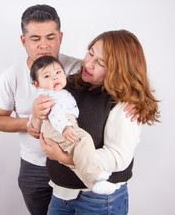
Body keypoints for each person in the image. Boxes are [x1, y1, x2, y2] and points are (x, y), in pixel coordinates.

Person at [36, 29, 160, 214]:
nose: (89, 63)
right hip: (61, 195)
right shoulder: (68, 84)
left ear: (118, 70)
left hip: (98, 201)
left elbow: (118, 158)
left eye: (100, 63)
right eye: (90, 52)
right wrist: (36, 111)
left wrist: (63, 158)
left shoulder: (124, 105)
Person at [0, 4, 82, 215]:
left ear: (60, 37)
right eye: (35, 39)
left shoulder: (79, 69)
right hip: (34, 168)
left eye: (50, 38)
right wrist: (28, 122)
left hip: (72, 163)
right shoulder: (11, 75)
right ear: (24, 41)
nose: (44, 45)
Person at [29, 55, 115, 193]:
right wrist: (65, 127)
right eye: (47, 76)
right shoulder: (49, 96)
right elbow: (55, 114)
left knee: (77, 153)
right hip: (58, 125)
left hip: (61, 124)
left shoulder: (56, 91)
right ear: (36, 84)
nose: (55, 77)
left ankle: (94, 185)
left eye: (58, 72)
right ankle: (95, 173)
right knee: (83, 140)